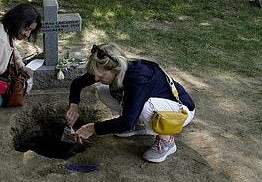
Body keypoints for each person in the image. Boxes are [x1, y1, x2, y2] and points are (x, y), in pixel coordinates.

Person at [65, 43, 195, 163]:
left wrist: (92, 128)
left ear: (115, 69)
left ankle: (167, 141)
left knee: (144, 107)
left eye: (100, 76)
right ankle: (139, 125)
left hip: (180, 111)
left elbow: (125, 123)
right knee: (103, 90)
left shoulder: (138, 78)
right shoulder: (111, 69)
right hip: (158, 104)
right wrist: (74, 105)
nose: (96, 79)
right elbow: (78, 83)